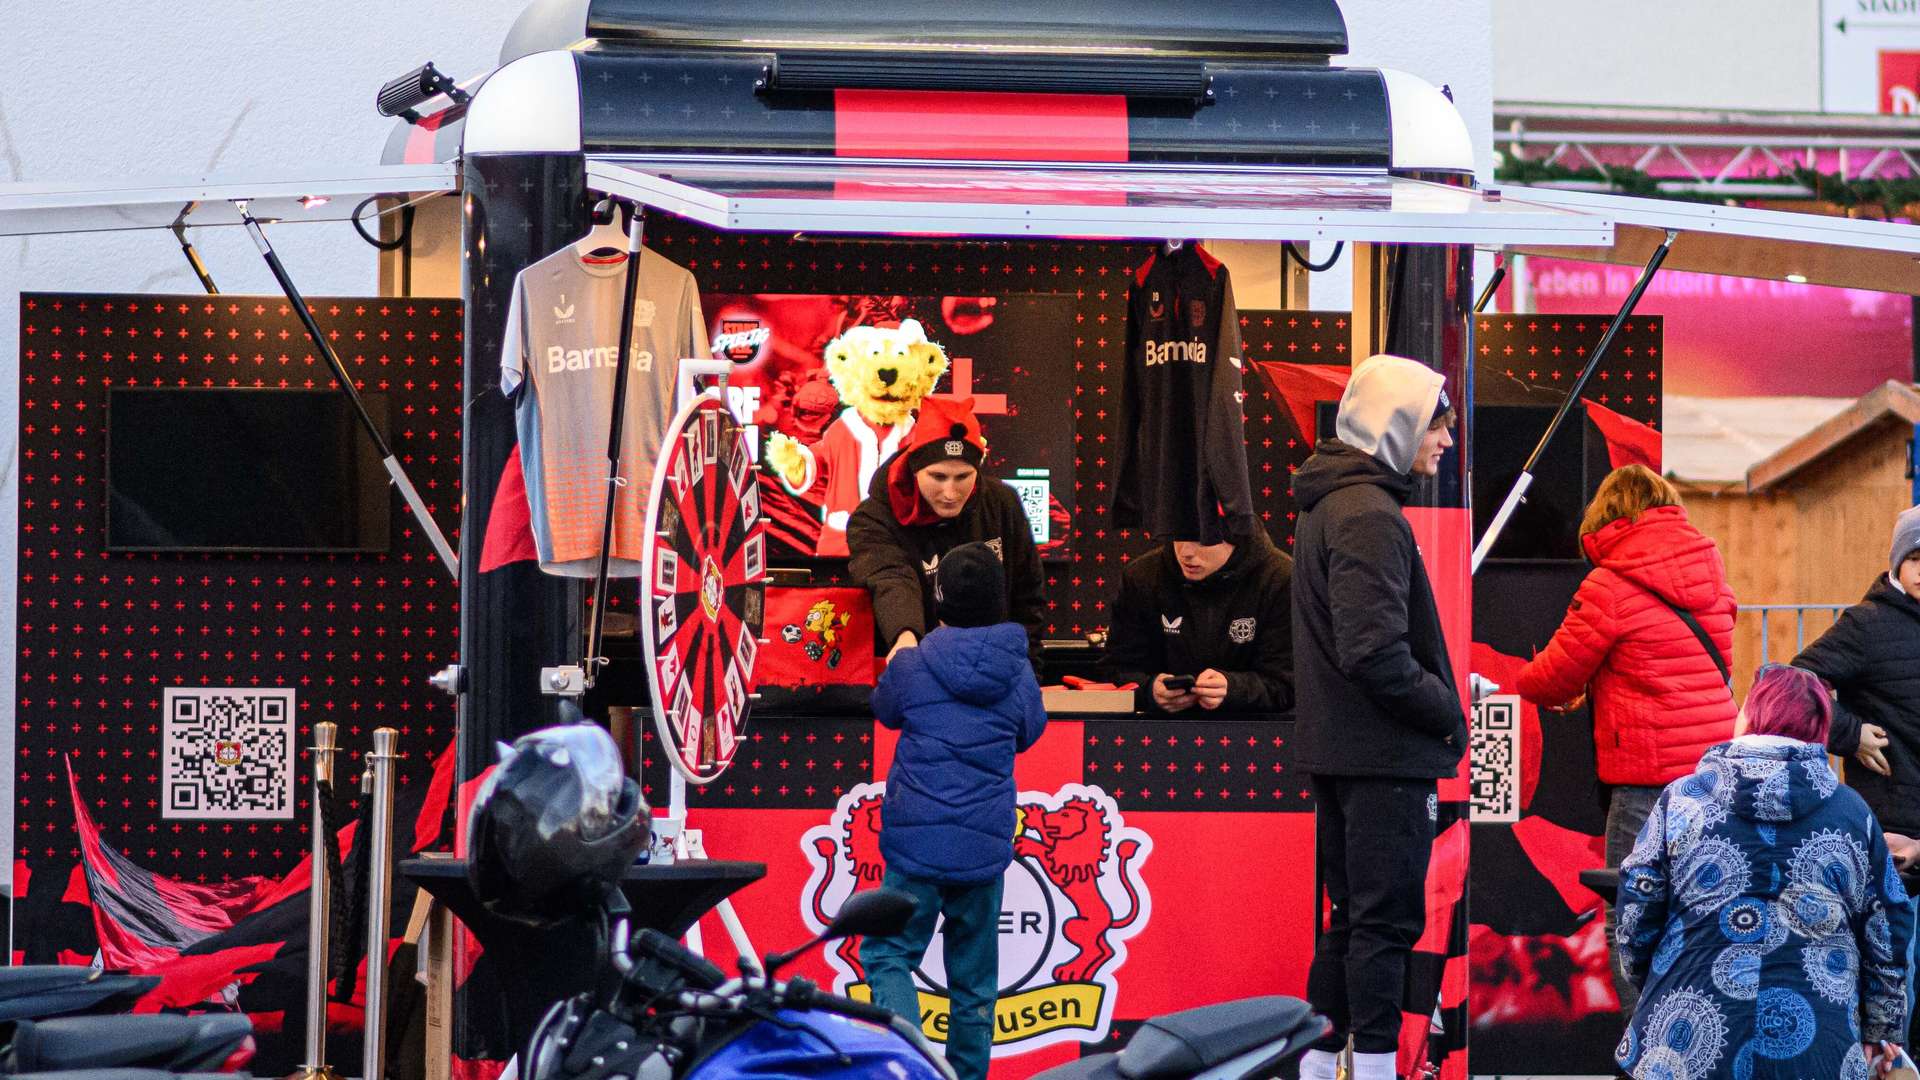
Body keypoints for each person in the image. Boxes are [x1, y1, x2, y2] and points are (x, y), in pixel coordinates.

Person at [1289, 353, 1465, 1080]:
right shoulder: (1369, 514)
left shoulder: (1334, 504)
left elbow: (1364, 648)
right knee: (1385, 927)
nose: (1446, 441)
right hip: (1384, 758)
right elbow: (1375, 653)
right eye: (1438, 424)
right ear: (1399, 425)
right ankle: (1373, 1071)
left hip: (1345, 751)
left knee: (1350, 924)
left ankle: (1321, 1066)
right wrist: (1449, 710)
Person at [1615, 664, 1913, 1080]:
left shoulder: (1681, 800)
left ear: (1750, 718)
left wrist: (1657, 976)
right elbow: (1888, 925)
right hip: (1819, 1046)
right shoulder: (1851, 813)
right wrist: (1880, 1029)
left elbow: (1636, 907)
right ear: (1820, 730)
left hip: (1683, 1036)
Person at [1513, 463, 1737, 1014]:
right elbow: (1668, 666)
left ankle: (1651, 1051)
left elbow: (1553, 678)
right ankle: (1703, 1047)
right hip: (1713, 775)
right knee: (1703, 913)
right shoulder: (1709, 569)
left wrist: (1521, 678)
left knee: (1630, 915)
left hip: (1645, 781)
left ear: (1608, 517)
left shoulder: (1609, 585)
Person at [858, 542, 1048, 1080]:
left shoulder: (914, 666)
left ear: (938, 600)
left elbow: (885, 710)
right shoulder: (1017, 673)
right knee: (974, 986)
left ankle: (912, 1067)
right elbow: (1030, 733)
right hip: (982, 854)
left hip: (914, 850)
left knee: (888, 956)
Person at [847, 395, 1046, 672]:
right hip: (915, 671)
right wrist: (906, 638)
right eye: (938, 477)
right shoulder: (874, 517)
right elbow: (891, 578)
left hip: (996, 676)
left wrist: (1028, 672)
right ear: (915, 468)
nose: (950, 493)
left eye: (963, 477)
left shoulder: (1003, 503)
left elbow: (1028, 597)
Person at [1104, 526, 1294, 713]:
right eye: (1178, 537)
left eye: (1201, 540)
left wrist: (1234, 689)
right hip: (1157, 731)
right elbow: (1115, 673)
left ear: (1234, 538)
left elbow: (1288, 684)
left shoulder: (1280, 579)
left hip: (1255, 733)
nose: (1185, 552)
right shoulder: (1142, 577)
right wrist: (1149, 691)